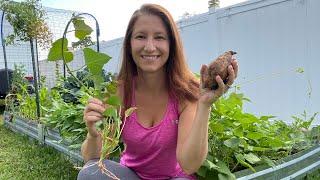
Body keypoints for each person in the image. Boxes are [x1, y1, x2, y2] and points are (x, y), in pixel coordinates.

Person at [78, 3, 238, 180]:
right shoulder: (119, 91)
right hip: (132, 176)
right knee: (89, 174)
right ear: (129, 44)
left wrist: (205, 105)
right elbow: (91, 159)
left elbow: (189, 164)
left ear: (171, 44)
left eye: (159, 37)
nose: (149, 47)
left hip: (175, 178)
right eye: (141, 36)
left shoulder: (186, 91)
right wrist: (93, 134)